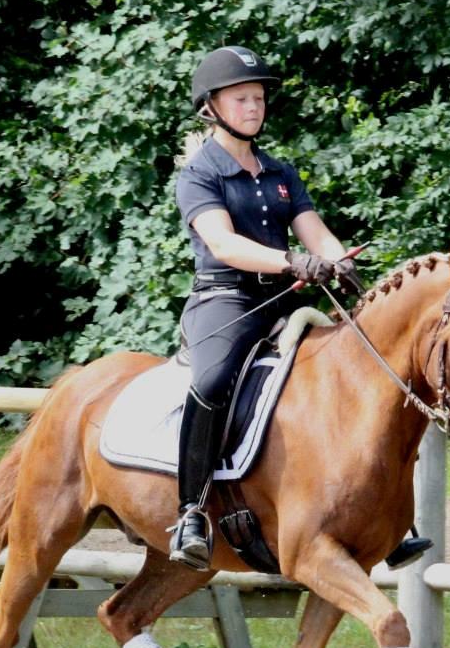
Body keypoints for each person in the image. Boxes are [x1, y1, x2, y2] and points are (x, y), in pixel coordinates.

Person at [171, 45, 430, 572]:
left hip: (282, 301)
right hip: (225, 300)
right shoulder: (200, 174)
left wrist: (340, 263)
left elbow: (316, 232)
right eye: (241, 98)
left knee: (359, 369)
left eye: (259, 98)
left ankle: (387, 518)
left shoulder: (279, 171)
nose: (253, 107)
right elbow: (223, 244)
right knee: (214, 380)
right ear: (212, 107)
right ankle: (191, 512)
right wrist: (292, 260)